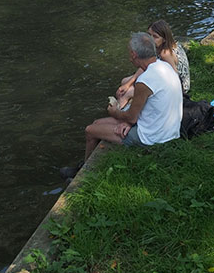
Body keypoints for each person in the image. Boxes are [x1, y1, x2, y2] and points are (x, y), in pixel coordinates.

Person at [71, 32, 183, 175]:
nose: (129, 58)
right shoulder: (164, 66)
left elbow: (131, 117)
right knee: (97, 123)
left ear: (134, 54)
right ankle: (84, 165)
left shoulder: (145, 80)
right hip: (170, 129)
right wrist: (128, 121)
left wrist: (115, 111)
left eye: (129, 54)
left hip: (153, 137)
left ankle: (85, 173)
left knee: (90, 131)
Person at [115, 21, 191, 106]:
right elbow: (146, 66)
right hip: (163, 79)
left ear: (164, 39)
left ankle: (121, 113)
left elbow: (175, 78)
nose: (150, 39)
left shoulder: (165, 54)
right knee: (125, 81)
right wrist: (128, 83)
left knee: (127, 93)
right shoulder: (164, 45)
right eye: (149, 35)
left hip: (178, 88)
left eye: (155, 37)